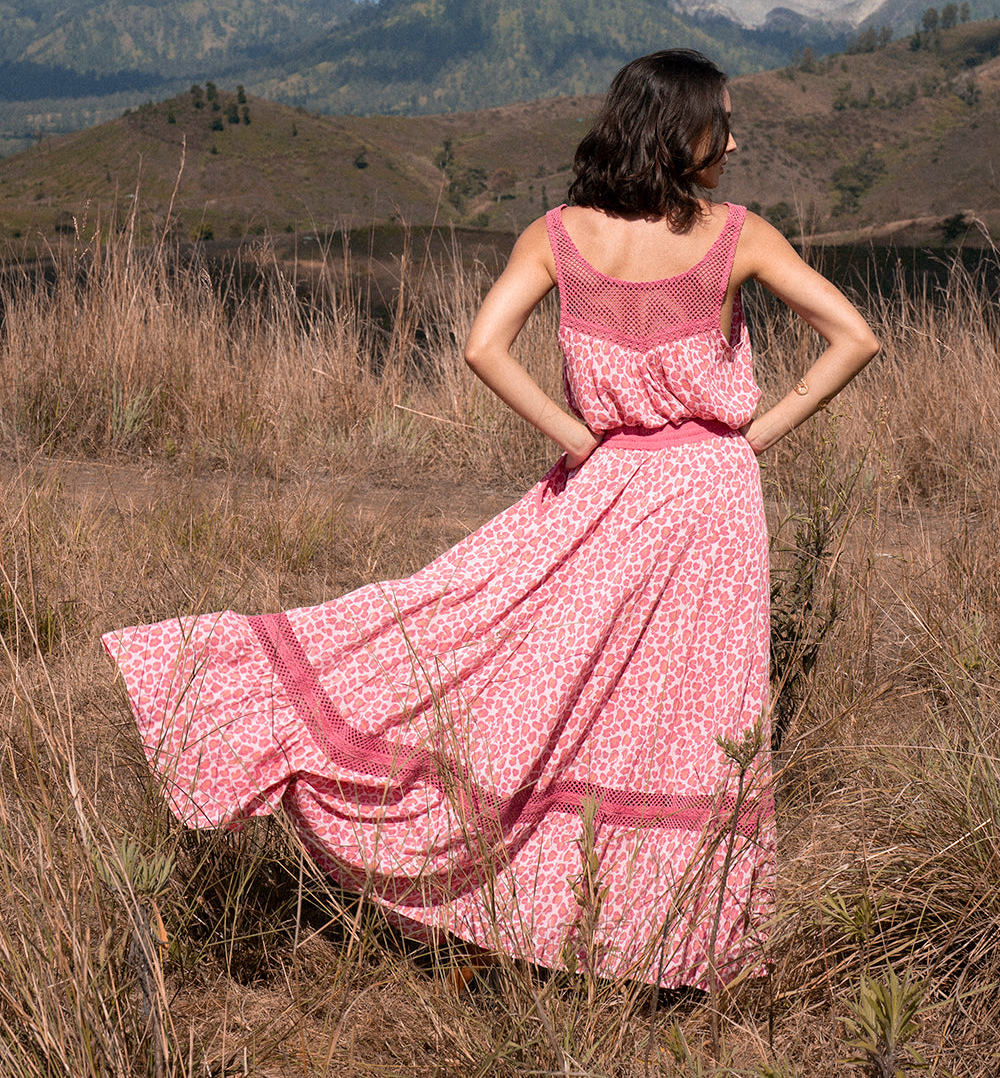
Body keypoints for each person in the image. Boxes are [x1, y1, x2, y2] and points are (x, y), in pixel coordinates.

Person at [103, 49, 878, 990]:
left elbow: (482, 346)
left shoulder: (555, 235)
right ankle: (659, 940)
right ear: (683, 134)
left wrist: (578, 436)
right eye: (725, 120)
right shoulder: (737, 235)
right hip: (712, 498)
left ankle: (262, 713)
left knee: (495, 644)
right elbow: (857, 336)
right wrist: (751, 437)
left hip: (606, 481)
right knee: (680, 713)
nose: (736, 137)